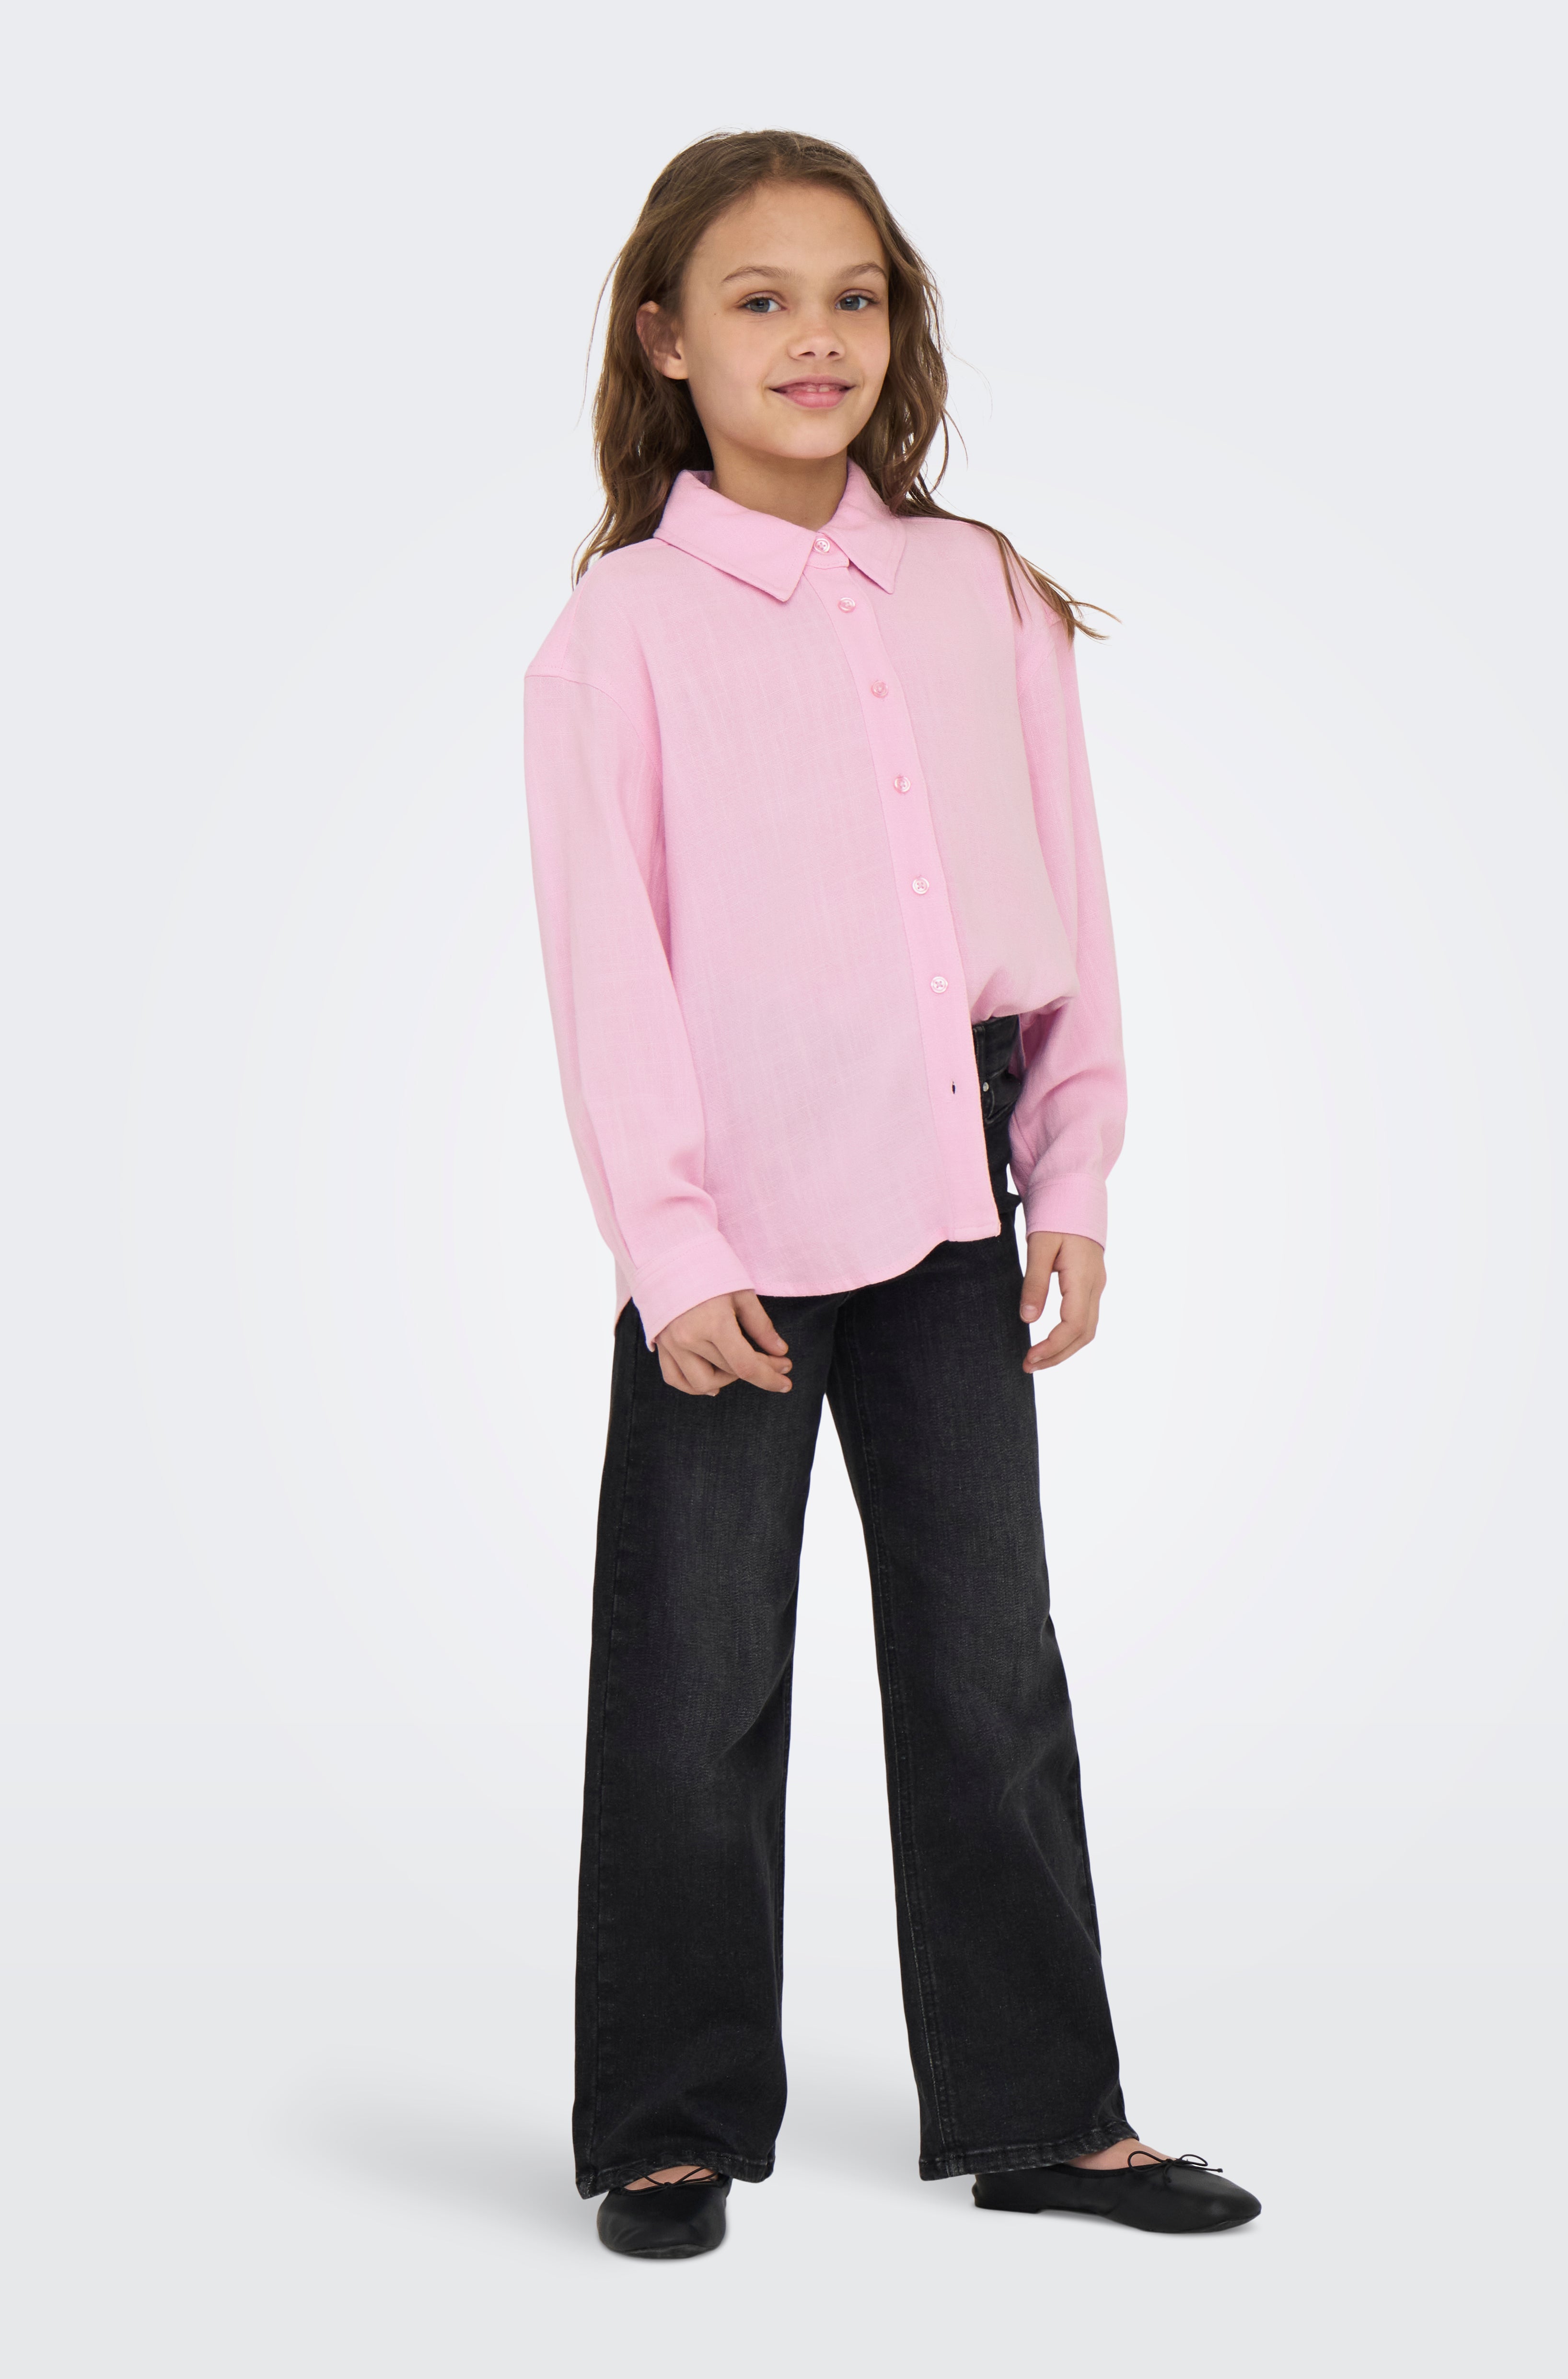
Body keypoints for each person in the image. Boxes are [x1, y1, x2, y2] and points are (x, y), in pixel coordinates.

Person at [523, 129, 1261, 2261]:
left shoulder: (976, 590)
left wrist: (1074, 1164)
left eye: (852, 295)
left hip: (956, 1187)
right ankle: (667, 2124)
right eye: (758, 298)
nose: (814, 336)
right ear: (665, 340)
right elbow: (606, 963)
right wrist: (668, 1245)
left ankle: (1042, 2114)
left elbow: (1062, 897)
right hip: (734, 1225)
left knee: (984, 1668)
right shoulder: (618, 633)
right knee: (694, 1687)